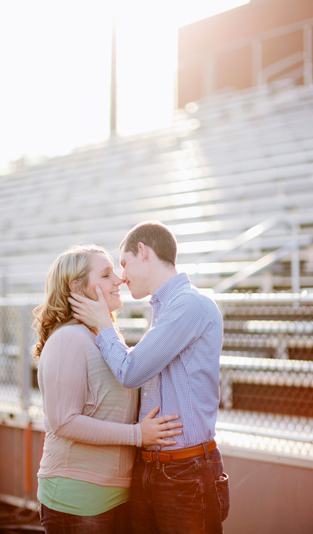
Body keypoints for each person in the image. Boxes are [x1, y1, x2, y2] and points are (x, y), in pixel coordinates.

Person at [69, 222, 230, 534]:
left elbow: (131, 372)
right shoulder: (163, 308)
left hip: (185, 471)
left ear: (142, 251)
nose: (123, 276)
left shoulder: (190, 305)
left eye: (125, 263)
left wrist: (103, 324)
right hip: (153, 468)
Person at [34, 244, 183, 534]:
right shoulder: (68, 339)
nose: (119, 281)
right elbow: (63, 421)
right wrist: (138, 435)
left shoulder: (104, 338)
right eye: (106, 275)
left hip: (115, 495)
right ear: (77, 287)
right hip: (78, 498)